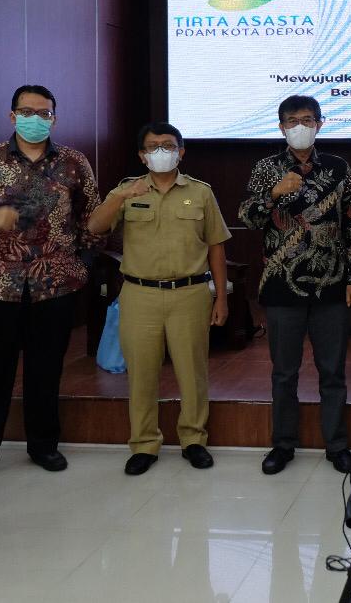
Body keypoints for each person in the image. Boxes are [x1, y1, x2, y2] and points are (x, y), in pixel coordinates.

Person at [0, 84, 102, 484]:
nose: (36, 119)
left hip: (55, 286)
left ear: (54, 118)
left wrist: (81, 264)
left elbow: (93, 221)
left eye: (44, 113)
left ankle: (43, 445)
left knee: (46, 371)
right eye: (27, 112)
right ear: (13, 116)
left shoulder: (74, 162)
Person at [86, 122, 231, 476]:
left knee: (192, 372)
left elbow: (216, 246)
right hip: (140, 294)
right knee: (141, 374)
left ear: (181, 152)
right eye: (152, 146)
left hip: (190, 293)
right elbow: (94, 227)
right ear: (142, 155)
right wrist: (120, 197)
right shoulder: (126, 189)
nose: (161, 151)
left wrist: (221, 298)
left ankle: (193, 440)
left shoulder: (201, 192)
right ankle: (144, 444)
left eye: (168, 145)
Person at [240, 95, 351, 475]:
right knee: (284, 372)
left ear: (320, 124)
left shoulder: (338, 167)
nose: (300, 127)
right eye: (292, 121)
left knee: (333, 371)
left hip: (332, 285)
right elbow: (248, 217)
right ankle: (283, 444)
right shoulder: (267, 168)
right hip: (282, 287)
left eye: (308, 120)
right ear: (281, 127)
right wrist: (274, 194)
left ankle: (337, 446)